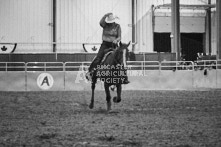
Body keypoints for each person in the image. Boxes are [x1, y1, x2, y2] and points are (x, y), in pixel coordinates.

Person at [86, 13, 129, 84]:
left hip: (114, 45)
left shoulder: (117, 26)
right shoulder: (105, 25)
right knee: (98, 58)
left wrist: (117, 40)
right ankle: (90, 72)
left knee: (120, 60)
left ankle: (124, 77)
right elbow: (100, 22)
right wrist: (105, 15)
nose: (111, 23)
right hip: (105, 44)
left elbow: (119, 37)